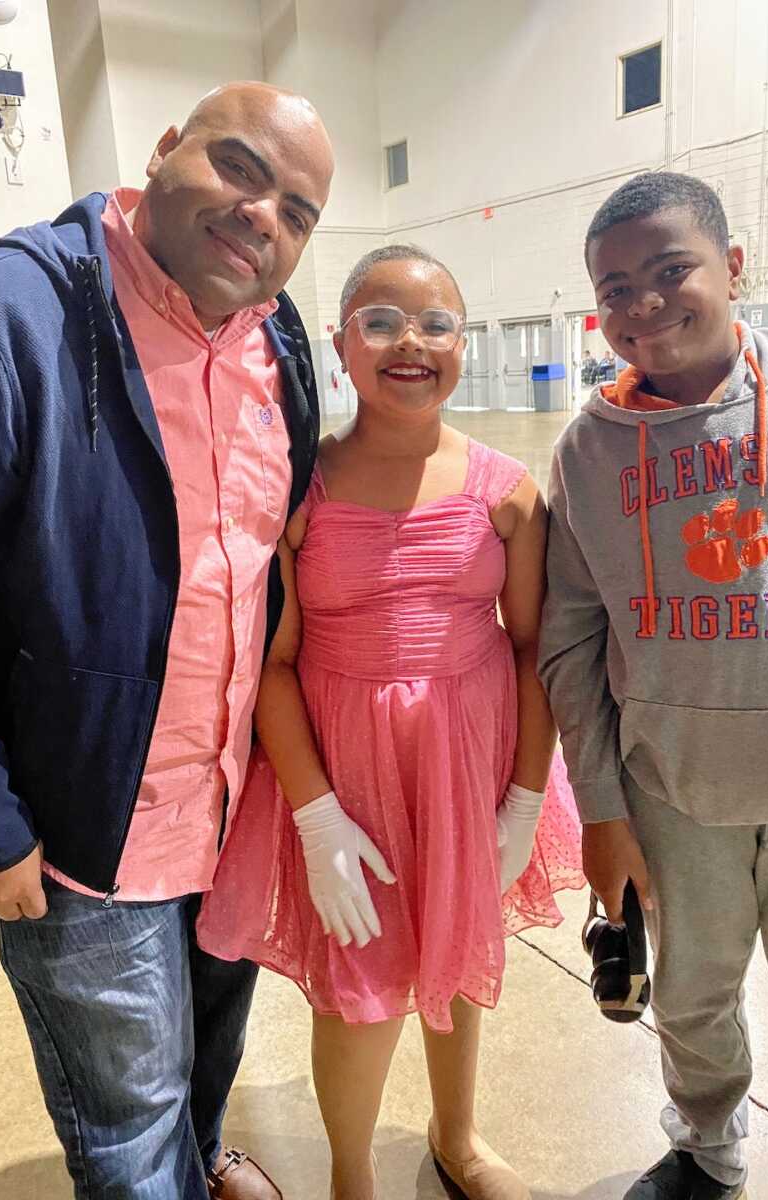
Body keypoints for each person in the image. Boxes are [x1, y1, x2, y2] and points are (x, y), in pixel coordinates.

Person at [0, 82, 334, 1200]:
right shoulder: (4, 316)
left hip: (233, 807)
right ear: (163, 149)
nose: (264, 215)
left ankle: (200, 1158)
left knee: (203, 1067)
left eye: (299, 211)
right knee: (128, 1129)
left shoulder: (276, 340)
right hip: (84, 832)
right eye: (239, 167)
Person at [197, 244, 585, 1200]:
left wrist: (527, 798)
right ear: (340, 345)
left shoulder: (506, 492)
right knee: (360, 989)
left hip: (468, 761)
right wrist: (316, 813)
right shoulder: (304, 491)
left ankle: (458, 1136)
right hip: (345, 767)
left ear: (463, 342)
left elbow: (535, 648)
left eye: (436, 323)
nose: (410, 343)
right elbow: (274, 664)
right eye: (381, 321)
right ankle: (351, 1175)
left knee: (455, 949)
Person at [538, 170, 768, 1200]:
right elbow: (570, 641)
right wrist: (599, 809)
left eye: (669, 270)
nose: (643, 305)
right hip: (672, 792)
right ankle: (708, 1151)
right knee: (689, 998)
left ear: (733, 265)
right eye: (615, 286)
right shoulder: (587, 450)